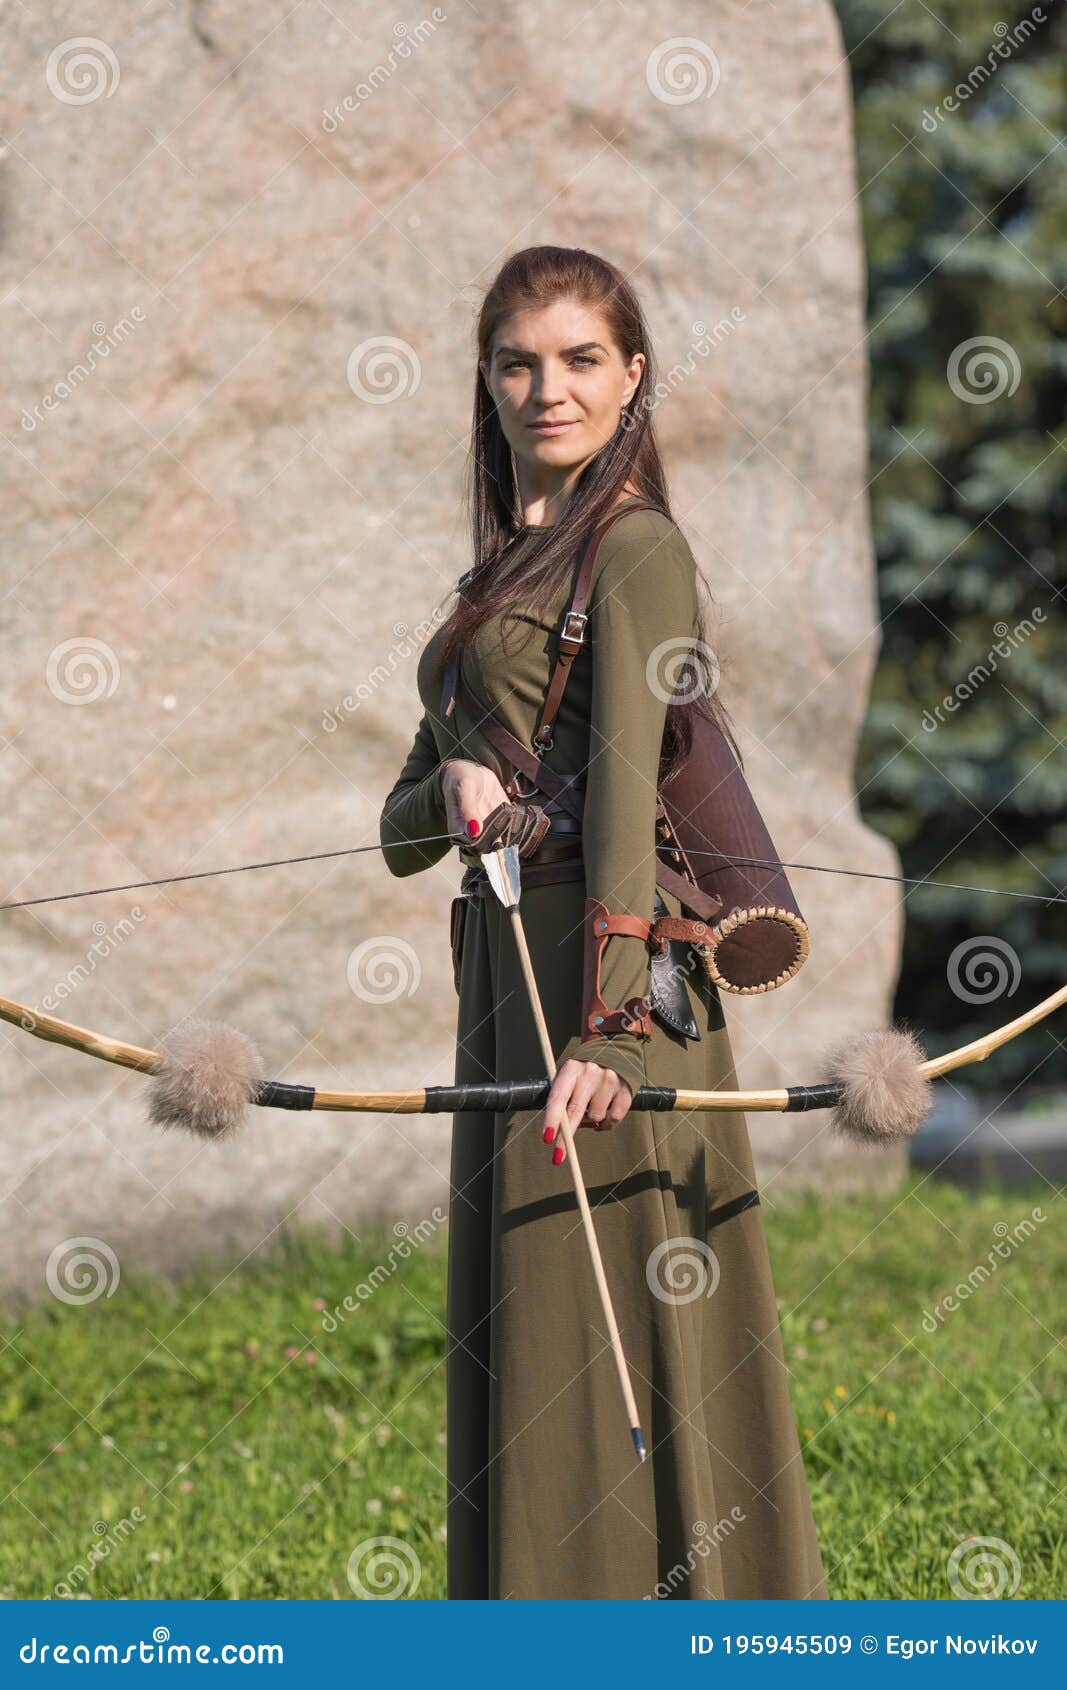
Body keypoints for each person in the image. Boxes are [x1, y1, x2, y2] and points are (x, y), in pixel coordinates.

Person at [380, 245, 826, 1600]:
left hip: (608, 998)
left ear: (632, 377)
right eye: (519, 361)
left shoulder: (636, 549)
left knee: (625, 1335)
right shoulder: (498, 575)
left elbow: (628, 799)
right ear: (487, 381)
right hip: (509, 979)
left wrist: (615, 1032)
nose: (547, 387)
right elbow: (405, 831)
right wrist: (459, 785)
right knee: (535, 1329)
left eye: (580, 359)